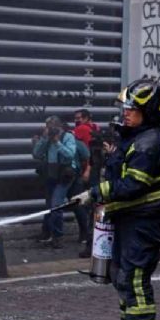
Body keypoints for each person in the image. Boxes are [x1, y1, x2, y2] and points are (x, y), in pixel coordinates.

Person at [72, 79, 160, 320]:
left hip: (144, 221)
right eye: (126, 107)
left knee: (135, 278)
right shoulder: (136, 137)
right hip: (128, 218)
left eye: (132, 108)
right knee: (120, 274)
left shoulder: (149, 143)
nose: (126, 112)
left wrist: (94, 193)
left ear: (150, 111)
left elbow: (132, 186)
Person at [32, 116, 83, 249]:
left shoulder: (68, 137)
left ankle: (58, 237)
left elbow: (70, 154)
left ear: (59, 127)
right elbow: (36, 154)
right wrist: (44, 139)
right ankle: (50, 234)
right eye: (48, 127)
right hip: (50, 175)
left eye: (52, 127)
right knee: (50, 206)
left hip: (64, 176)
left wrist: (57, 142)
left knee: (56, 205)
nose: (50, 130)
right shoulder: (47, 138)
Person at [72, 109, 100, 257]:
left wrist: (87, 170)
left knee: (84, 203)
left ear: (86, 118)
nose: (76, 121)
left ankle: (87, 236)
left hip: (85, 171)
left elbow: (89, 153)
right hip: (93, 170)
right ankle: (87, 236)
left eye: (79, 118)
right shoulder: (95, 129)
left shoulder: (82, 129)